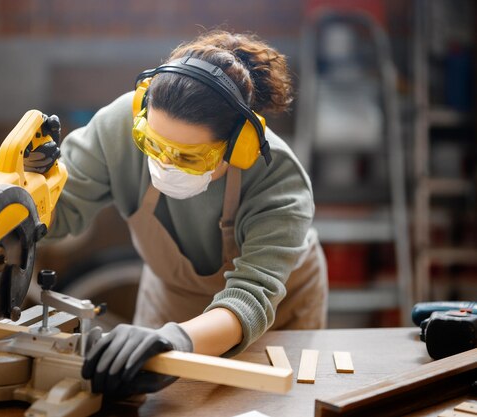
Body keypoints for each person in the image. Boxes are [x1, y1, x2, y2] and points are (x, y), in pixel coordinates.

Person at [28, 30, 328, 398]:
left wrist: (177, 340)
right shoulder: (120, 125)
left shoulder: (279, 180)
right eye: (152, 144)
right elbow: (61, 216)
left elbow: (251, 298)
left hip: (274, 311)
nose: (163, 163)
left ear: (239, 147)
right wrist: (31, 190)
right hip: (171, 301)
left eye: (187, 156)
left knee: (269, 405)